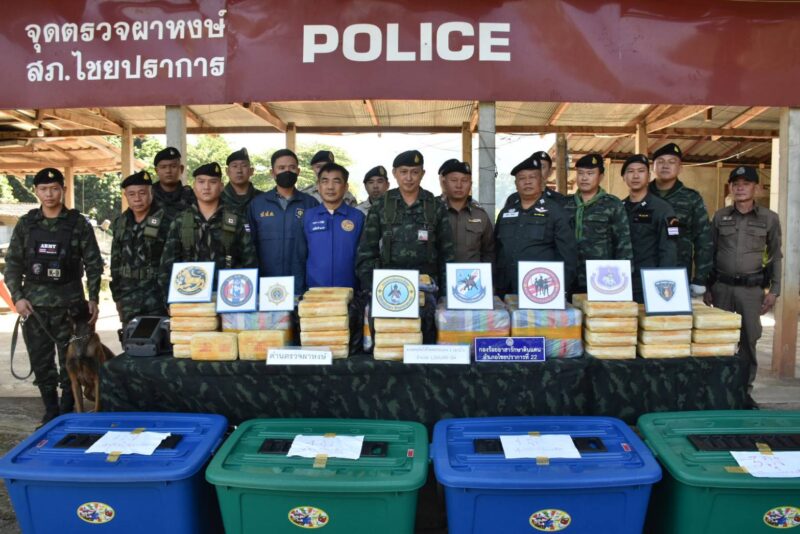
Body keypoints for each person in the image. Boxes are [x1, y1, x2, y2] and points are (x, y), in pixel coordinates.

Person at [4, 168, 104, 424]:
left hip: (71, 309)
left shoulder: (78, 224)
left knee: (70, 362)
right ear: (36, 191)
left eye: (54, 189)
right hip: (34, 308)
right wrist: (18, 297)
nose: (49, 194)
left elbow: (94, 263)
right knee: (41, 362)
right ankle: (50, 411)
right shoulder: (27, 224)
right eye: (43, 189)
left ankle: (67, 411)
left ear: (63, 190)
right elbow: (13, 264)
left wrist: (94, 297)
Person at [356, 150, 454, 342]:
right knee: (389, 342)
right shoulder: (381, 205)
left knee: (424, 342)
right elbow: (366, 251)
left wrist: (445, 293)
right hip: (388, 289)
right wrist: (370, 288)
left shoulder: (434, 206)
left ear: (422, 174)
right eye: (403, 172)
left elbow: (447, 253)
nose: (409, 178)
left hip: (426, 291)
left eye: (414, 172)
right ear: (394, 173)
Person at [705, 165, 782, 405]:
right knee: (721, 340)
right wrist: (707, 286)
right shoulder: (720, 216)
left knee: (748, 341)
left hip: (751, 291)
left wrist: (775, 290)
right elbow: (709, 252)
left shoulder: (769, 218)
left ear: (756, 188)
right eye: (736, 184)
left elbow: (775, 256)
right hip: (722, 288)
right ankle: (720, 392)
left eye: (746, 184)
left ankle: (743, 393)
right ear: (730, 188)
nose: (740, 188)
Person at [159, 163, 257, 293]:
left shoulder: (236, 219)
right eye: (201, 182)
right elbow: (167, 266)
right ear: (194, 186)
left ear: (221, 186)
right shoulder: (180, 221)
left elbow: (249, 261)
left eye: (213, 182)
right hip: (189, 294)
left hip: (228, 294)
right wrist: (171, 298)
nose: (206, 187)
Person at [494, 155, 577, 296]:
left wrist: (560, 289)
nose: (527, 182)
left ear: (541, 180)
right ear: (516, 184)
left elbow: (568, 255)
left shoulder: (556, 212)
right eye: (522, 178)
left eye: (532, 177)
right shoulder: (506, 212)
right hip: (506, 287)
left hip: (540, 288)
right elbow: (496, 248)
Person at [649, 142, 713, 297]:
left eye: (671, 162)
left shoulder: (692, 198)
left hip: (678, 272)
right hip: (644, 270)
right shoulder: (642, 195)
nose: (665, 166)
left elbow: (704, 240)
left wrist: (700, 279)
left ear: (680, 168)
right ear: (653, 167)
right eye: (660, 162)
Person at [563, 154, 633, 295]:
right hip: (568, 276)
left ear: (601, 176)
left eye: (590, 173)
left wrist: (624, 278)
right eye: (580, 173)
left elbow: (623, 243)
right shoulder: (564, 204)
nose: (584, 178)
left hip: (601, 277)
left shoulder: (612, 204)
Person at [110, 170, 172, 325]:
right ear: (126, 196)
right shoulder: (120, 223)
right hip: (128, 297)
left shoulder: (168, 220)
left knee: (159, 337)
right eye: (132, 194)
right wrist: (117, 297)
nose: (137, 198)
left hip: (157, 297)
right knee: (130, 337)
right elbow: (115, 261)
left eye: (142, 193)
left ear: (151, 193)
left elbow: (174, 261)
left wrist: (171, 298)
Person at [293, 162, 365, 292]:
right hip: (314, 292)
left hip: (350, 293)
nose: (330, 187)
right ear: (318, 186)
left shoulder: (358, 218)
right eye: (325, 181)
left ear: (345, 187)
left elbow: (365, 259)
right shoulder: (307, 217)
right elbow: (298, 258)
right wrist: (299, 291)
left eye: (336, 181)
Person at [248, 149, 319, 278]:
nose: (287, 171)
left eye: (292, 167)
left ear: (298, 171)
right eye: (281, 168)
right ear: (272, 173)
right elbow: (249, 245)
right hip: (266, 279)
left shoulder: (310, 204)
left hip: (301, 278)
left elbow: (317, 245)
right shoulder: (257, 204)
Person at [620, 154, 678, 303]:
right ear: (624, 177)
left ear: (649, 176)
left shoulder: (663, 209)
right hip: (621, 283)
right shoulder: (618, 208)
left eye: (641, 171)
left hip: (649, 283)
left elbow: (669, 250)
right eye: (630, 171)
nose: (635, 176)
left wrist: (663, 282)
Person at [439, 159, 495, 263]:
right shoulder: (433, 210)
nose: (459, 185)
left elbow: (489, 251)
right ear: (444, 183)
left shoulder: (480, 215)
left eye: (464, 181)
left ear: (470, 184)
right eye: (454, 180)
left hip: (472, 273)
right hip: (441, 273)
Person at [503, 151, 567, 208]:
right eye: (534, 168)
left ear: (550, 172)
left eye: (542, 167)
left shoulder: (559, 199)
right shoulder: (513, 198)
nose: (538, 171)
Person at [151, 147, 195, 217]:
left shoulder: (191, 196)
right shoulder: (148, 195)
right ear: (156, 171)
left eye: (173, 166)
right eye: (163, 167)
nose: (168, 171)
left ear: (181, 169)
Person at [222, 147, 262, 213]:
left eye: (244, 166)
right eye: (234, 166)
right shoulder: (217, 198)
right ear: (227, 171)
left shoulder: (262, 198)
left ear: (251, 171)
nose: (239, 171)